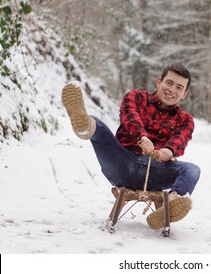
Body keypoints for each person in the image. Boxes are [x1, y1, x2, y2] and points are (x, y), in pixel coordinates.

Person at [61, 64, 201, 230]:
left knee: (192, 170)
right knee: (97, 124)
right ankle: (83, 125)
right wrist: (142, 137)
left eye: (179, 87)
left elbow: (180, 140)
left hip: (154, 171)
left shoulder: (185, 120)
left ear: (184, 94)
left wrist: (166, 152)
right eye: (169, 83)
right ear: (159, 82)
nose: (172, 90)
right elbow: (130, 118)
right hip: (121, 163)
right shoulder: (136, 97)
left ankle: (172, 204)